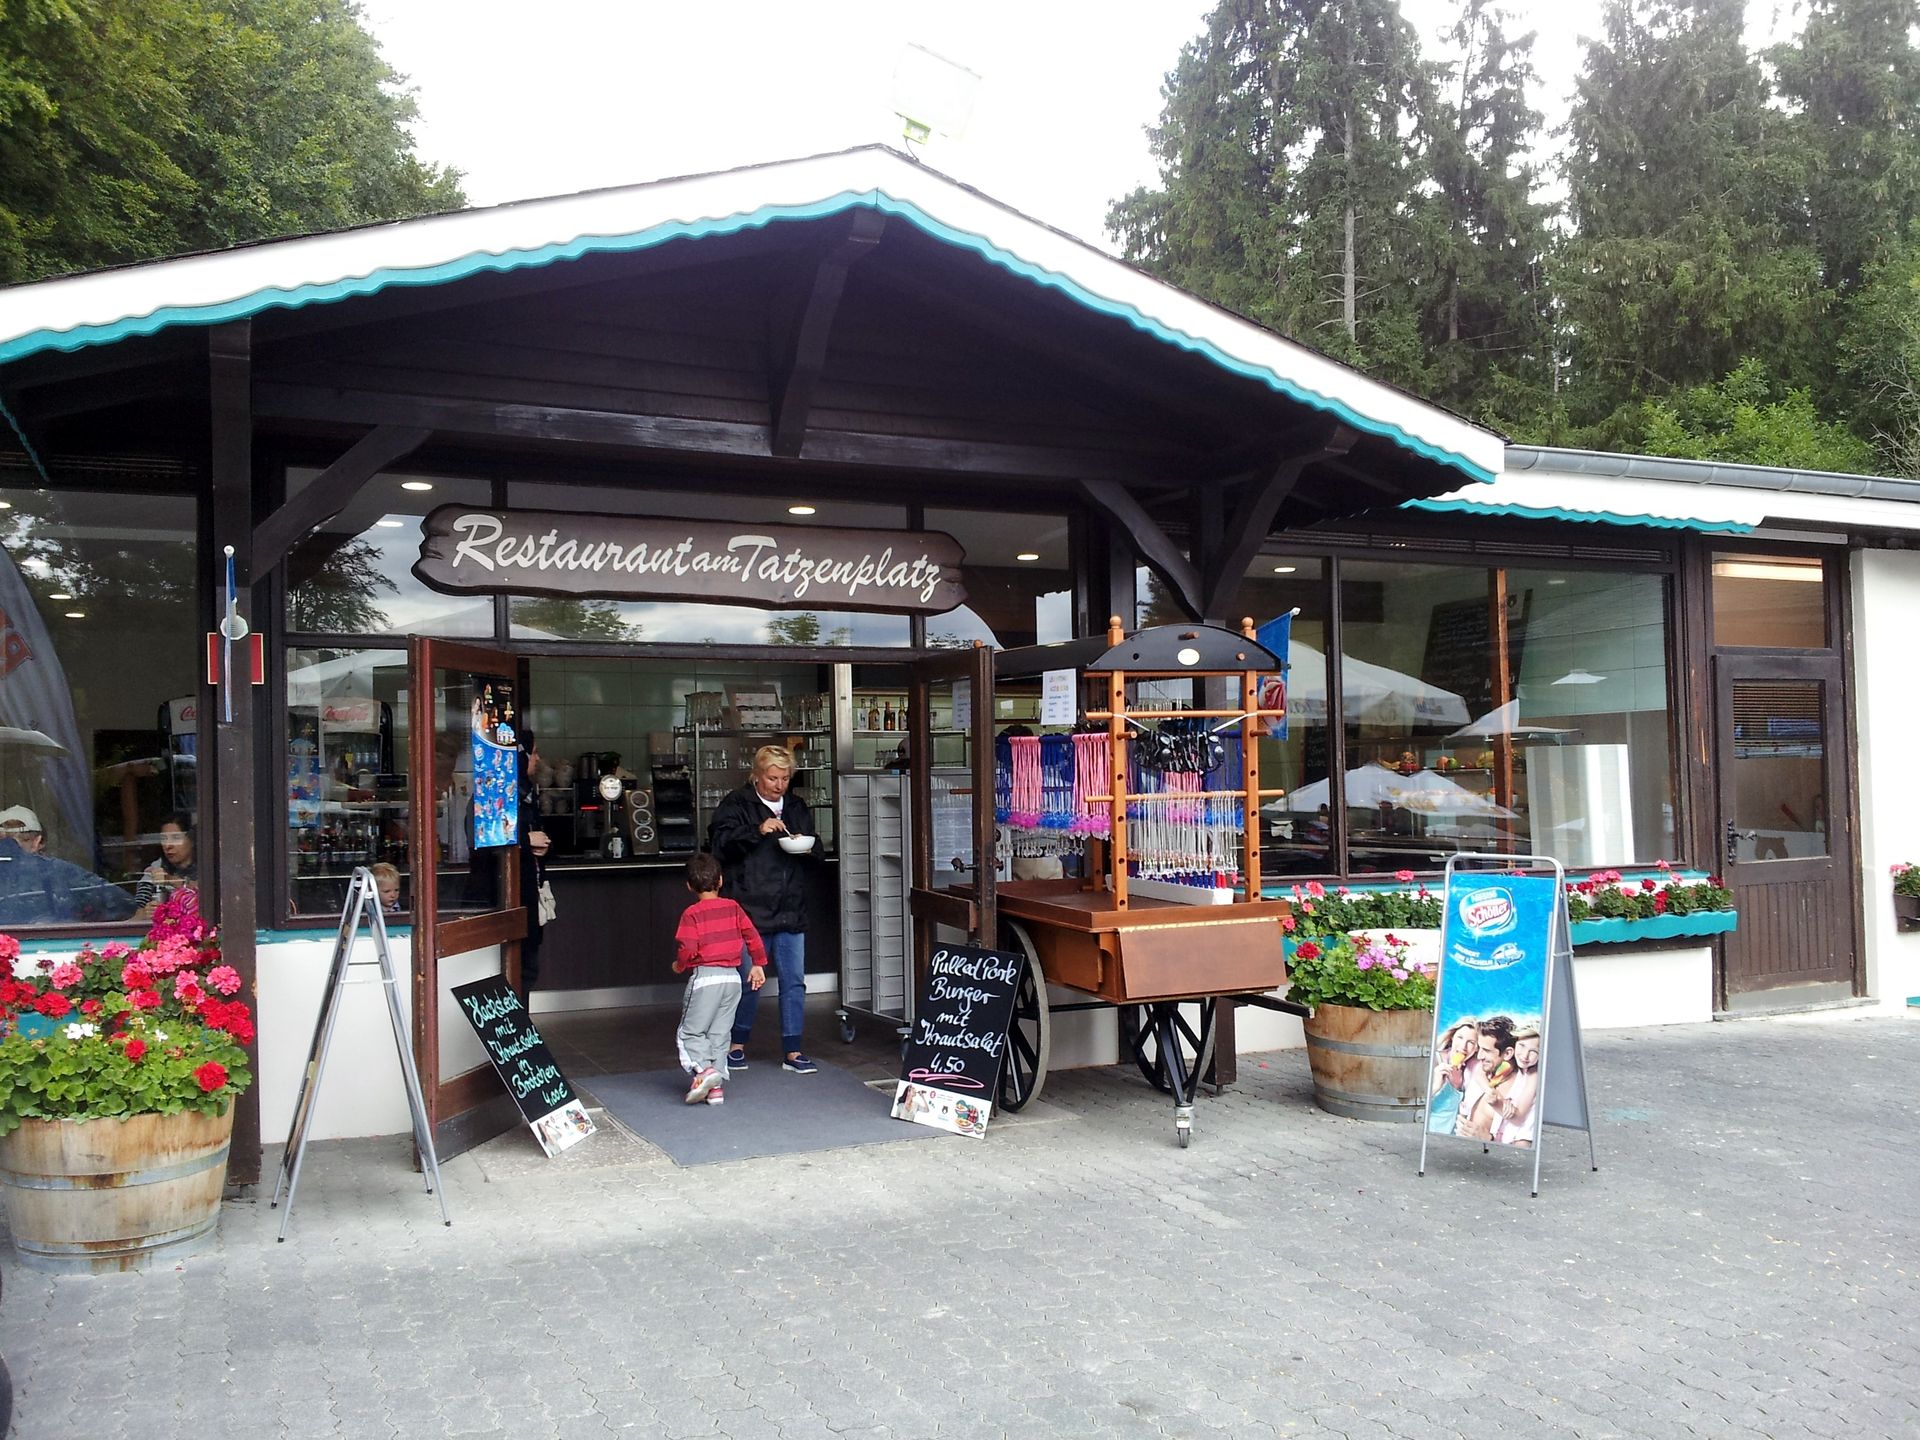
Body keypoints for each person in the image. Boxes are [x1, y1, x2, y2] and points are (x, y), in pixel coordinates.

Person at [707, 744, 819, 1074]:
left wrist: (807, 846)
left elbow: (817, 849)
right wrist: (757, 830)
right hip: (750, 909)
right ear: (756, 775)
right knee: (747, 981)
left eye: (785, 778)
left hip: (790, 906)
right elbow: (719, 846)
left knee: (794, 982)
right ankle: (735, 1045)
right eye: (772, 778)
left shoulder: (796, 806)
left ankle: (793, 1050)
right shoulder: (736, 804)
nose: (779, 785)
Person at [672, 852, 766, 1106]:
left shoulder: (691, 913)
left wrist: (680, 965)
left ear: (689, 886)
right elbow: (752, 936)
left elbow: (688, 948)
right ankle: (715, 1089)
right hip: (733, 979)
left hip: (706, 978)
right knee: (720, 1033)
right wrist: (758, 964)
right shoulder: (733, 907)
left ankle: (704, 1071)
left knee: (690, 1032)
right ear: (721, 880)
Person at [516, 732, 552, 1004]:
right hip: (512, 898)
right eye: (534, 752)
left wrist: (543, 844)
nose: (537, 759)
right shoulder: (502, 796)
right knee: (518, 967)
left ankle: (522, 1021)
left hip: (530, 892)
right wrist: (526, 840)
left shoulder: (527, 795)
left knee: (528, 967)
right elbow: (485, 841)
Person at [1456, 1014, 1517, 1141]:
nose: (1479, 1056)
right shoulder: (1483, 1071)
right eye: (1479, 1048)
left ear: (1507, 1053)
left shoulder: (1517, 1091)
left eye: (1487, 1050)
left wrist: (1488, 1139)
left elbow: (1520, 1144)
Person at [133, 812, 197, 917]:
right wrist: (145, 913)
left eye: (176, 838)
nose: (168, 845)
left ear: (192, 840)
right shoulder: (156, 867)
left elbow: (207, 894)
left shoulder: (207, 864)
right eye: (164, 839)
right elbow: (136, 913)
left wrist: (171, 880)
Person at [1427, 1017, 1478, 1135]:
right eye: (1460, 1037)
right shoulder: (1434, 1060)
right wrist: (1435, 1087)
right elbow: (1414, 1105)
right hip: (1429, 1133)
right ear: (1452, 1037)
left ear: (1476, 1048)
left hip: (1450, 1138)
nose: (1463, 1046)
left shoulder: (1469, 1069)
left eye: (1471, 1042)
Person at [1494, 1025, 1542, 1147]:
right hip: (1505, 1132)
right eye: (1522, 1046)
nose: (1525, 1055)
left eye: (1534, 1051)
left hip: (1522, 1136)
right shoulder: (1513, 1065)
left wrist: (1495, 1103)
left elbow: (1518, 1118)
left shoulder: (1534, 1075)